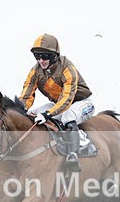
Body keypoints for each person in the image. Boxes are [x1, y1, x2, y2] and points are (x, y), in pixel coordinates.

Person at [19, 34, 94, 172]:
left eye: (45, 56)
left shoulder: (67, 68)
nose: (41, 60)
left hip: (81, 103)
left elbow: (67, 98)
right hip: (59, 104)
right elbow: (27, 94)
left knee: (68, 117)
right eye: (37, 57)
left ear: (54, 56)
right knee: (31, 114)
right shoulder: (35, 71)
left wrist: (48, 114)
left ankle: (73, 155)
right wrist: (19, 110)